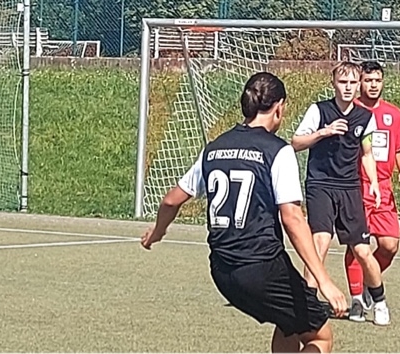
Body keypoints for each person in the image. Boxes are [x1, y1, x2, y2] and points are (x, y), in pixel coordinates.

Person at [141, 71, 348, 353]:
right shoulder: (278, 151)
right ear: (279, 107)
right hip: (261, 268)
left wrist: (157, 232)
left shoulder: (213, 149)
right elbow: (292, 218)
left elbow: (171, 201)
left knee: (288, 322)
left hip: (222, 271)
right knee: (319, 338)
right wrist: (324, 280)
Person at [291, 61, 390, 326]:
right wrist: (324, 132)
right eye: (342, 82)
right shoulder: (319, 110)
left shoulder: (364, 117)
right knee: (319, 243)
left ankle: (379, 301)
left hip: (349, 189)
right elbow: (296, 142)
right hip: (320, 184)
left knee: (362, 250)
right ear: (333, 83)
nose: (347, 88)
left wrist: (374, 184)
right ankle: (308, 303)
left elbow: (367, 154)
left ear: (358, 85)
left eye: (352, 83)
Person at [344, 61, 400, 323]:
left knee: (389, 245)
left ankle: (372, 284)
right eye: (368, 80)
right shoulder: (351, 111)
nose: (373, 85)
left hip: (383, 187)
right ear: (360, 83)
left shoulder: (393, 114)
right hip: (355, 186)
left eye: (377, 80)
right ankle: (358, 300)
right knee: (357, 246)